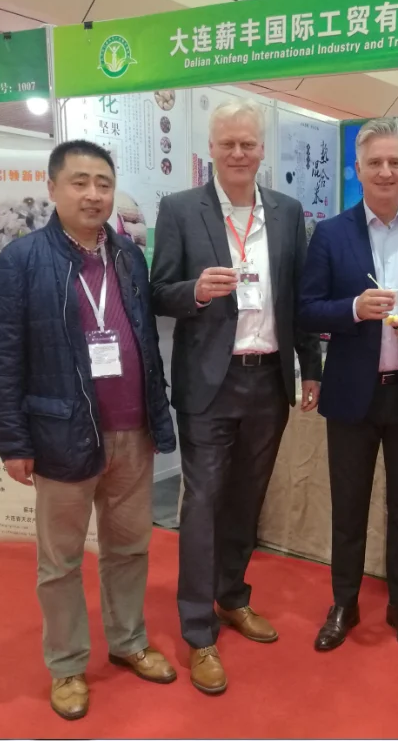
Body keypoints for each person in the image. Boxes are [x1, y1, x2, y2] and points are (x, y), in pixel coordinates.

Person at [0, 140, 178, 720]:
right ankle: (66, 665)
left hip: (133, 431)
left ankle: (129, 640)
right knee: (61, 562)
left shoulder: (128, 255)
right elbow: (2, 360)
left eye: (103, 183)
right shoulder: (19, 262)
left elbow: (145, 342)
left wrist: (157, 414)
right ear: (52, 188)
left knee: (130, 548)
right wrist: (12, 441)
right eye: (80, 182)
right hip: (61, 434)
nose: (93, 194)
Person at [150, 100, 322, 695]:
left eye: (248, 143)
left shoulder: (287, 212)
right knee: (202, 504)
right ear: (211, 150)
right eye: (228, 144)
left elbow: (298, 300)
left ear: (262, 149)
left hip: (268, 377)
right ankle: (198, 631)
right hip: (209, 381)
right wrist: (195, 291)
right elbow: (157, 291)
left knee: (248, 500)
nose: (239, 153)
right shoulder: (180, 209)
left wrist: (310, 368)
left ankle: (231, 596)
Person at [298, 117, 398, 652]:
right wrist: (352, 308)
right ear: (358, 169)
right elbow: (306, 308)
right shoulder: (330, 233)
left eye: (395, 162)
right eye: (375, 162)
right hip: (351, 395)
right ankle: (344, 602)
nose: (386, 171)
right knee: (349, 506)